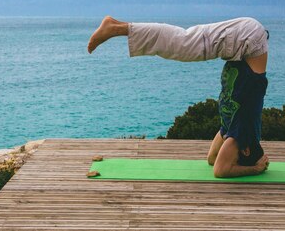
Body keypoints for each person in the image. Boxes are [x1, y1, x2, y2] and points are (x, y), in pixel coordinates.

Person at [88, 16, 270, 178]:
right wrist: (255, 169)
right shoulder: (244, 130)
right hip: (249, 37)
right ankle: (118, 28)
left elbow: (212, 160)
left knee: (185, 42)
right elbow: (221, 171)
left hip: (247, 39)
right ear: (245, 150)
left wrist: (240, 161)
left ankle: (118, 25)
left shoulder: (233, 127)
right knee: (184, 43)